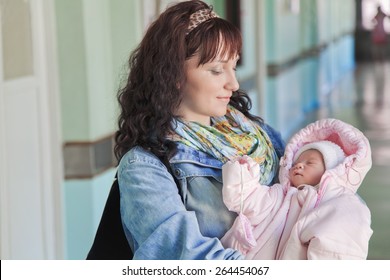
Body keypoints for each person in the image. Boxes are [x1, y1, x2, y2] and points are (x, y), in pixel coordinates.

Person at [114, 0, 285, 260]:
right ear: (173, 75)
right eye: (216, 70)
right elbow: (193, 260)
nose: (234, 83)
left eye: (234, 66)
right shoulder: (144, 167)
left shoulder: (257, 135)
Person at [221, 118, 373, 259]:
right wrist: (241, 173)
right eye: (296, 162)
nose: (299, 165)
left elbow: (337, 247)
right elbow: (246, 200)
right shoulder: (278, 196)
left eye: (310, 162)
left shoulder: (339, 204)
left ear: (331, 171)